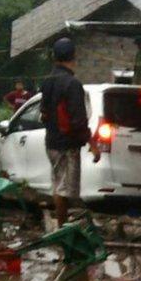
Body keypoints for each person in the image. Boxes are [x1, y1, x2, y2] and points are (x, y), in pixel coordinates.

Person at [39, 37, 99, 226]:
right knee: (65, 190)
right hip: (67, 144)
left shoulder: (47, 81)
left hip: (52, 142)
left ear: (54, 57)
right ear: (73, 56)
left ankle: (61, 226)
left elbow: (43, 112)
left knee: (59, 186)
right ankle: (62, 229)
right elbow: (78, 120)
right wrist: (93, 144)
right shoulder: (72, 84)